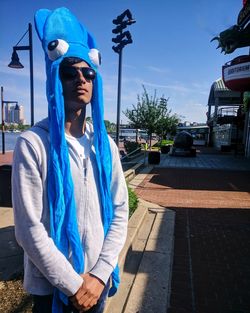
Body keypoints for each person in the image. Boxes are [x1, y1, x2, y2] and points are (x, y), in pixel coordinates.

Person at [12, 7, 128, 313]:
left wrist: (100, 275)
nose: (81, 78)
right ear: (55, 77)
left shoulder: (106, 147)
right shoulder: (33, 143)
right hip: (52, 289)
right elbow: (28, 229)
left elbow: (119, 211)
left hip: (97, 285)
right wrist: (74, 285)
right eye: (69, 71)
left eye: (88, 72)